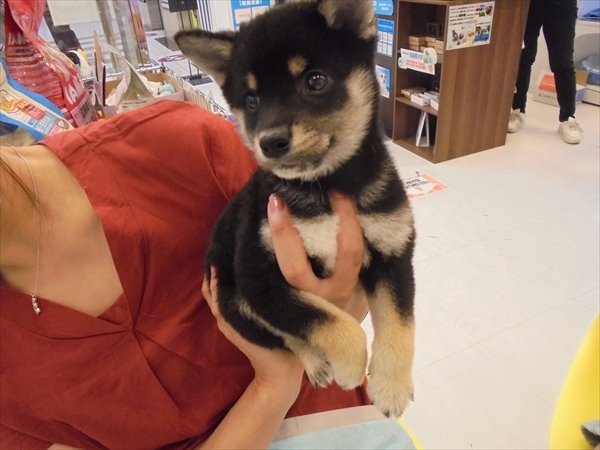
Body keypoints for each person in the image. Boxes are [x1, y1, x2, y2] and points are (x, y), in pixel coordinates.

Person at [0, 101, 373, 449]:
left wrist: (336, 299)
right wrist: (273, 386)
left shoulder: (177, 146)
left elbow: (360, 283)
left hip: (342, 426)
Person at [508, 0, 583, 144]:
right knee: (523, 58)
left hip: (562, 6)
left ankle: (568, 118)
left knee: (563, 63)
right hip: (529, 4)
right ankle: (518, 109)